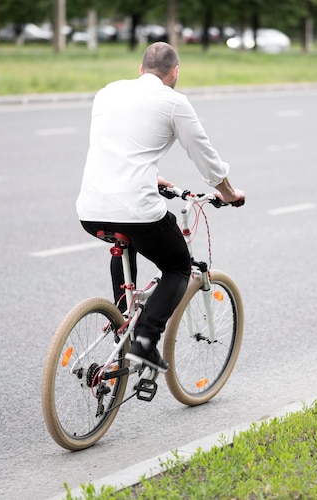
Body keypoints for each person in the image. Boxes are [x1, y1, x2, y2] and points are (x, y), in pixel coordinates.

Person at [76, 42, 245, 373]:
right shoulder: (174, 102)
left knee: (125, 242)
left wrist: (151, 176)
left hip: (90, 208)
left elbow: (117, 146)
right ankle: (145, 340)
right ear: (175, 73)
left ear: (140, 70)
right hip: (135, 208)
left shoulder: (107, 93)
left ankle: (122, 322)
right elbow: (205, 157)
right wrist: (227, 192)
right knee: (179, 267)